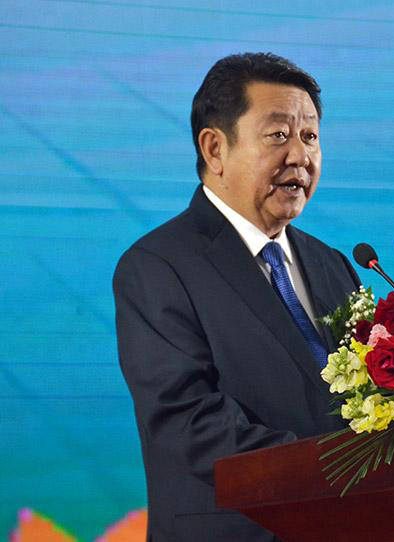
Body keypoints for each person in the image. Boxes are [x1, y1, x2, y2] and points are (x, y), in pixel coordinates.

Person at [113, 52, 360, 541]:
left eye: (310, 136)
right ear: (214, 149)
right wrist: (337, 472)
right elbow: (188, 421)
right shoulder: (157, 266)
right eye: (278, 135)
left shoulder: (332, 265)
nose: (300, 156)